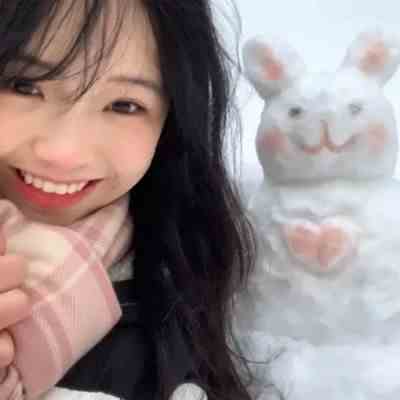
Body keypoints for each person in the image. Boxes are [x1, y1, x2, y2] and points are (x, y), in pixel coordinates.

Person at [0, 1, 257, 399]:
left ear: (171, 120)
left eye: (124, 105)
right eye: (25, 85)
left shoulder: (182, 303)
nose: (63, 153)